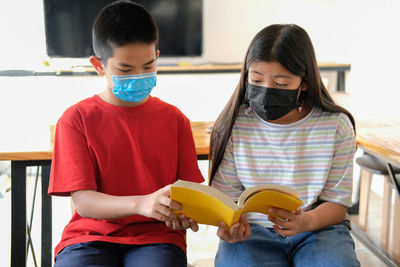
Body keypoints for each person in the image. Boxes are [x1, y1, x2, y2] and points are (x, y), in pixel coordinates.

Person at [48, 1, 204, 266]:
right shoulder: (76, 119)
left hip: (157, 238)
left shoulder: (175, 119)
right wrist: (141, 204)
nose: (139, 76)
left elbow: (188, 192)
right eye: (125, 70)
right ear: (99, 65)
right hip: (89, 236)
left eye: (148, 65)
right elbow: (84, 202)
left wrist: (187, 213)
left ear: (157, 55)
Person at [209, 24, 360, 266]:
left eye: (280, 84)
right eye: (256, 79)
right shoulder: (232, 125)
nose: (267, 90)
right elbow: (225, 201)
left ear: (305, 82)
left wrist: (306, 222)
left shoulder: (336, 126)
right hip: (252, 232)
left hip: (317, 228)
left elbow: (337, 205)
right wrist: (229, 228)